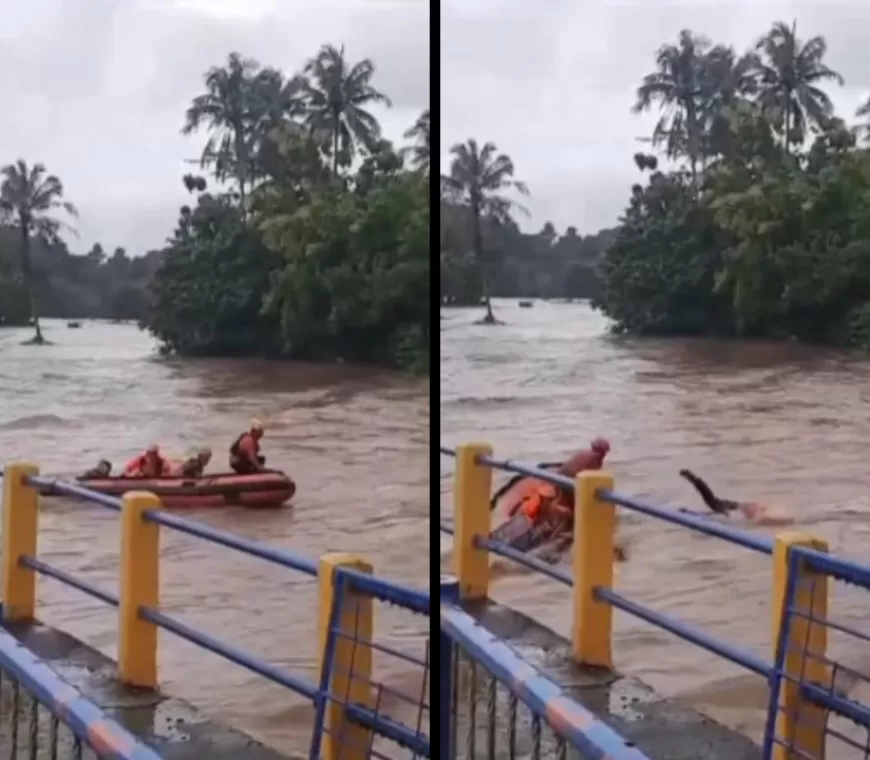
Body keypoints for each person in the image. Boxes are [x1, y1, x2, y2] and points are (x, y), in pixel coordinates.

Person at [679, 469, 793, 526]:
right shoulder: (723, 509)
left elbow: (706, 493)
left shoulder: (717, 506)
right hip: (735, 508)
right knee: (712, 502)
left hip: (735, 509)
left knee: (712, 502)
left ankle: (692, 478)